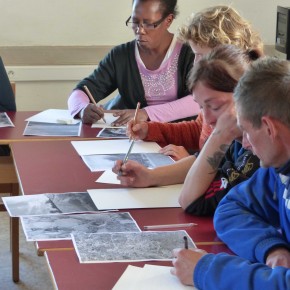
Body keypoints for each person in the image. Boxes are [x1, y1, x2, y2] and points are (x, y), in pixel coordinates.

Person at [171, 57, 290, 290]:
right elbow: (231, 207)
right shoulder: (278, 168)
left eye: (246, 131)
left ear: (269, 127)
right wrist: (272, 247)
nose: (244, 144)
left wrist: (207, 271)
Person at [113, 44, 260, 216]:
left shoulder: (259, 151)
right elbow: (201, 162)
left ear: (246, 96)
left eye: (215, 106)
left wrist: (219, 135)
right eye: (201, 107)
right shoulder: (238, 141)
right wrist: (149, 176)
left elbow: (190, 201)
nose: (208, 119)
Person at [127, 5, 263, 160]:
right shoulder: (217, 94)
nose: (196, 62)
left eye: (201, 56)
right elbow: (199, 129)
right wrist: (149, 130)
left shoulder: (238, 104)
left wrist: (191, 162)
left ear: (227, 55)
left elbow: (224, 166)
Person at [68, 0, 200, 125]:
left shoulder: (192, 53)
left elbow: (199, 100)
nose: (140, 30)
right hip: (133, 140)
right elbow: (82, 91)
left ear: (168, 21)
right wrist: (81, 109)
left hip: (178, 141)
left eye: (149, 23)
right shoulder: (120, 56)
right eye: (135, 21)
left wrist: (146, 113)